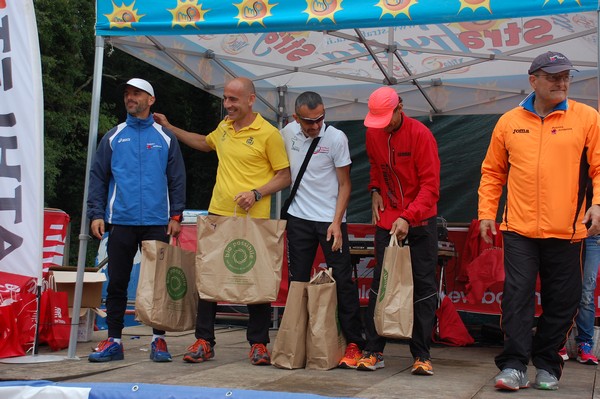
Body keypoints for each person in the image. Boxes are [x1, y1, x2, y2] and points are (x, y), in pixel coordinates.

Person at [478, 51, 600, 391]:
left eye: (566, 76)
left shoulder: (588, 118)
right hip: (518, 228)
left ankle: (547, 363)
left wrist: (599, 205)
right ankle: (514, 365)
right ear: (533, 80)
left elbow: (599, 168)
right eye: (553, 76)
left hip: (569, 231)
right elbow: (492, 173)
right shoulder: (508, 122)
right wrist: (487, 213)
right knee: (516, 298)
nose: (561, 82)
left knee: (564, 302)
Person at [153, 77, 291, 366]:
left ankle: (258, 344)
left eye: (233, 100)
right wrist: (169, 128)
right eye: (225, 99)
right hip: (218, 216)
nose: (227, 105)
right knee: (209, 277)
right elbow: (204, 143)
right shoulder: (224, 128)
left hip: (255, 220)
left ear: (251, 100)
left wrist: (256, 193)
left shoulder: (268, 133)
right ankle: (204, 340)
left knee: (257, 280)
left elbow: (284, 175)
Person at [87, 78, 186, 362]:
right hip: (121, 220)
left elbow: (177, 179)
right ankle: (114, 341)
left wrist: (176, 214)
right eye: (127, 94)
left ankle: (159, 340)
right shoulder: (114, 136)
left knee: (158, 283)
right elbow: (98, 177)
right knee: (116, 281)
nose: (130, 98)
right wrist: (96, 213)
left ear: (150, 100)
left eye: (137, 93)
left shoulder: (165, 137)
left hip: (157, 220)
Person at [280, 91, 366, 369]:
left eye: (320, 119)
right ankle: (297, 341)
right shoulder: (287, 133)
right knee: (297, 282)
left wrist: (337, 222)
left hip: (330, 220)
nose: (316, 126)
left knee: (342, 280)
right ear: (296, 118)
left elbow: (345, 185)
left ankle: (354, 342)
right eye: (309, 121)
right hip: (298, 218)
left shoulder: (336, 138)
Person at [359, 87, 440, 375]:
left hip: (420, 223)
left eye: (387, 118)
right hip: (387, 222)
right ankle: (373, 351)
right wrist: (375, 189)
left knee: (423, 288)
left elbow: (431, 187)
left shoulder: (420, 135)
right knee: (381, 286)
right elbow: (375, 166)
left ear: (400, 108)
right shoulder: (372, 133)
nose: (383, 124)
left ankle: (421, 354)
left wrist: (408, 216)